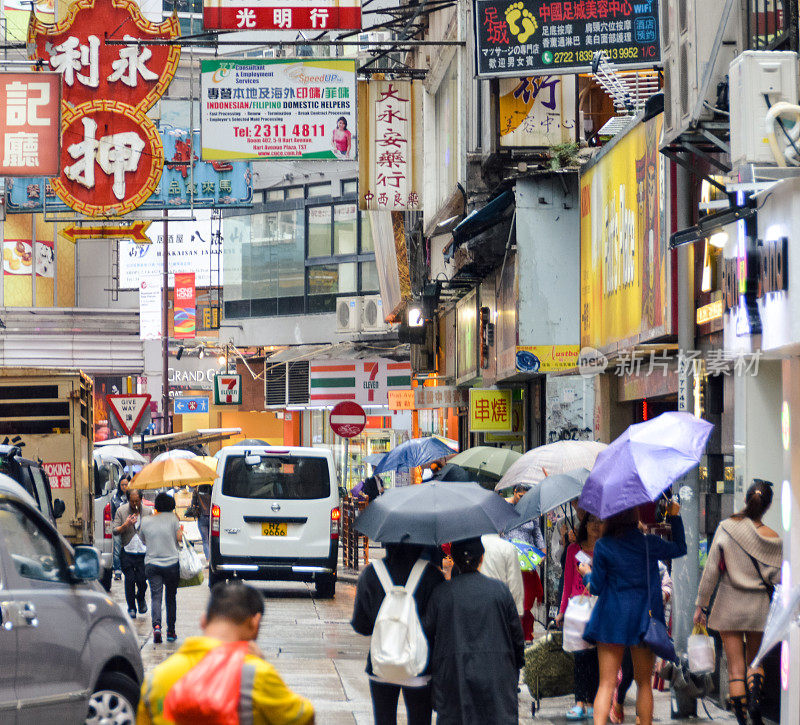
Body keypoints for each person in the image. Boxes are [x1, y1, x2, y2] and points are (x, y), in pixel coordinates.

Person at [138, 581, 315, 725]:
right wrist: (263, 663)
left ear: (203, 620)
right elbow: (305, 717)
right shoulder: (256, 675)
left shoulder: (155, 680)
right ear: (255, 624)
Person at [578, 502, 686, 725]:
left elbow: (596, 587)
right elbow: (679, 548)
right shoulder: (649, 543)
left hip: (611, 620)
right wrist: (675, 517)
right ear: (634, 515)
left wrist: (586, 573)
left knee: (606, 683)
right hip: (643, 620)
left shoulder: (604, 545)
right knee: (644, 683)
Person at [694, 480, 781, 725]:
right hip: (758, 608)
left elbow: (711, 571)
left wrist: (701, 604)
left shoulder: (726, 528)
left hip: (728, 606)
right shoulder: (773, 538)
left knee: (735, 668)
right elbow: (778, 578)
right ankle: (755, 703)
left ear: (746, 500)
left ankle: (742, 718)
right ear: (767, 505)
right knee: (756, 661)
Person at [424, 537, 525, 725]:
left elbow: (427, 634)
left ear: (453, 558)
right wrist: (516, 665)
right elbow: (516, 636)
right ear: (482, 558)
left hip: (453, 678)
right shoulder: (501, 591)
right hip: (496, 677)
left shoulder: (442, 593)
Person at [351, 543, 444, 725]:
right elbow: (438, 625)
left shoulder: (371, 574)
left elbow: (361, 625)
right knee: (420, 719)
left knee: (384, 719)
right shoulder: (432, 576)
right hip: (419, 667)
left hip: (381, 665)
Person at [556, 513, 602, 721]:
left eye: (600, 522)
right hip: (577, 608)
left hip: (599, 608)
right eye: (592, 521)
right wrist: (562, 610)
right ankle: (579, 702)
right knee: (580, 656)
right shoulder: (573, 550)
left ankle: (593, 701)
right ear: (585, 524)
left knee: (596, 657)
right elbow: (567, 582)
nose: (596, 525)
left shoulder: (605, 550)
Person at [503, 483, 545, 641]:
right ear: (515, 492)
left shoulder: (531, 511)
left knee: (526, 601)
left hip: (527, 563)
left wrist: (542, 552)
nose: (523, 500)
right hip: (509, 561)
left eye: (526, 498)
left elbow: (537, 534)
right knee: (511, 600)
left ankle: (526, 635)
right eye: (521, 496)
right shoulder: (504, 509)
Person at [140, 492, 183, 644]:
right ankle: (171, 632)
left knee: (155, 597)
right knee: (170, 598)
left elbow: (143, 540)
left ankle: (156, 626)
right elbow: (179, 539)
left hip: (152, 564)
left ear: (157, 505)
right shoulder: (173, 519)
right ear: (171, 506)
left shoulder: (145, 520)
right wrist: (179, 529)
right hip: (171, 564)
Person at [113, 488, 151, 619]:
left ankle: (140, 598)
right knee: (129, 580)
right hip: (127, 550)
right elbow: (115, 530)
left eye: (137, 501)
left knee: (142, 580)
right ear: (128, 500)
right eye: (132, 501)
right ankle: (131, 607)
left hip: (143, 551)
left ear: (141, 499)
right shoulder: (121, 511)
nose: (135, 504)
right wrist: (126, 525)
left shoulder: (147, 511)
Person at [480, 533, 524, 616]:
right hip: (500, 607)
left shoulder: (472, 546)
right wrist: (517, 611)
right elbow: (514, 583)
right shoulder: (507, 547)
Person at [110, 475, 130, 580]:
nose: (124, 487)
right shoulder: (114, 498)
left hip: (130, 527)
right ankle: (117, 572)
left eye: (126, 484)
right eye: (122, 485)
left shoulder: (133, 497)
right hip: (118, 526)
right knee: (117, 549)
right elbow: (112, 515)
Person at [189, 483, 212, 561]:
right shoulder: (212, 493)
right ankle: (213, 559)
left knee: (205, 540)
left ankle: (208, 559)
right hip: (213, 517)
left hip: (202, 517)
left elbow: (193, 505)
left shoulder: (197, 493)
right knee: (213, 539)